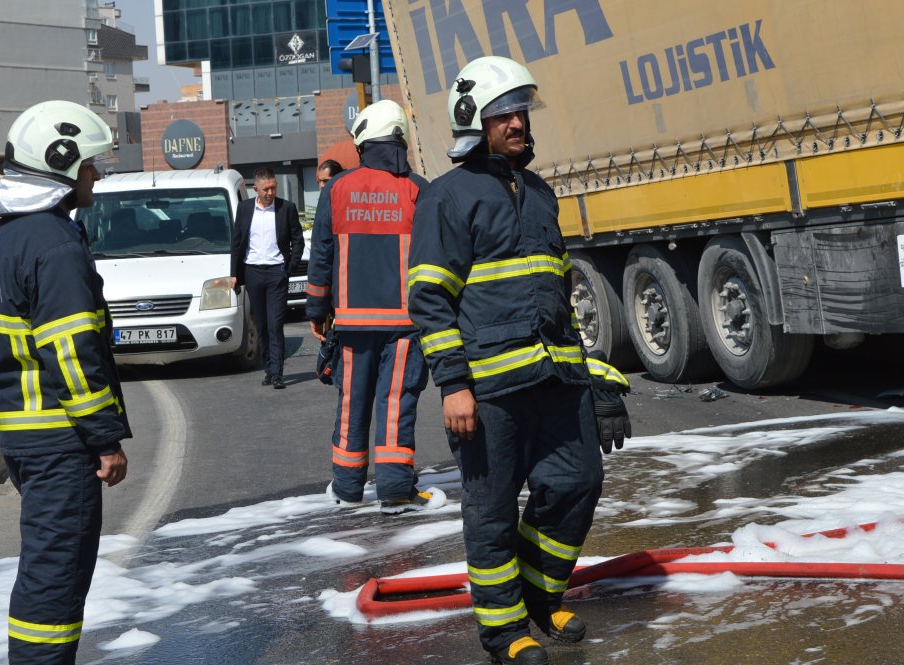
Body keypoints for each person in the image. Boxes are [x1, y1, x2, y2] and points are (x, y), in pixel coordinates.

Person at [408, 56, 632, 664]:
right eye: (504, 112)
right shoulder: (446, 197)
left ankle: (539, 597)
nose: (517, 122)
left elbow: (558, 298)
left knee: (578, 481)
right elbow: (429, 299)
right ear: (472, 120)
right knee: (492, 511)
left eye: (521, 111)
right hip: (487, 390)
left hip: (555, 377)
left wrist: (595, 380)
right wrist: (453, 385)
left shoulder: (538, 192)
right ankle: (506, 634)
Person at [0, 100, 131, 665]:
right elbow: (72, 352)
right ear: (60, 165)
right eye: (89, 165)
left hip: (22, 433)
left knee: (44, 568)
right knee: (56, 578)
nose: (96, 174)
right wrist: (104, 439)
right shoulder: (55, 243)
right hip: (61, 439)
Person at [307, 100, 445, 514]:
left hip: (350, 321)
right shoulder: (417, 189)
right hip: (404, 323)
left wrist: (317, 310)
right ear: (399, 138)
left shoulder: (336, 189)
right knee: (395, 403)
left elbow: (321, 255)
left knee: (352, 404)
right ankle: (396, 492)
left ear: (364, 141)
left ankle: (347, 489)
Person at [231, 167, 304, 389]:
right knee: (261, 324)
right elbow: (236, 242)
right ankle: (268, 369)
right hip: (252, 271)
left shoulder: (286, 208)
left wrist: (288, 268)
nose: (271, 192)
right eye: (266, 189)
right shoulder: (244, 210)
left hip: (276, 272)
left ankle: (278, 374)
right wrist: (234, 274)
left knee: (275, 324)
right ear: (256, 189)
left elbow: (297, 240)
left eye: (273, 187)